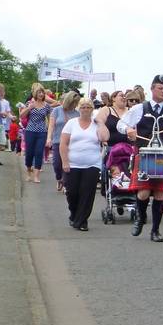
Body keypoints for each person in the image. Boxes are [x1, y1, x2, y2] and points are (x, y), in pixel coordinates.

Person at [118, 75, 163, 241]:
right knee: (143, 193)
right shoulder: (140, 108)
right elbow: (120, 124)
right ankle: (140, 218)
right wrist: (128, 130)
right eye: (160, 88)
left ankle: (155, 230)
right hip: (143, 154)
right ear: (152, 89)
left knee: (159, 194)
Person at [60, 98, 101, 231]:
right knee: (72, 192)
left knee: (87, 193)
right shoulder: (71, 123)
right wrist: (65, 161)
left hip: (92, 163)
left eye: (88, 107)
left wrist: (101, 123)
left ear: (92, 109)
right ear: (78, 108)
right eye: (82, 107)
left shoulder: (96, 124)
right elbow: (63, 143)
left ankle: (82, 220)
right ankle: (74, 214)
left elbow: (105, 138)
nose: (85, 109)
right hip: (73, 163)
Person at [19, 84, 53, 183]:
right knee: (29, 153)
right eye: (39, 92)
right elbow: (21, 116)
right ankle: (29, 172)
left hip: (42, 131)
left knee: (39, 153)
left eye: (42, 92)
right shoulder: (30, 103)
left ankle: (36, 176)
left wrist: (50, 133)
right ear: (35, 93)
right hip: (30, 131)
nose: (41, 94)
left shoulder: (46, 106)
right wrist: (29, 108)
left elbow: (51, 118)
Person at [48, 92, 81, 192]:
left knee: (67, 164)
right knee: (57, 163)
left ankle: (66, 182)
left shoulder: (77, 113)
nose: (75, 105)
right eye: (74, 103)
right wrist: (49, 138)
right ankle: (59, 178)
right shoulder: (56, 110)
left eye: (76, 103)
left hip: (71, 143)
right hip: (57, 141)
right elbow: (51, 125)